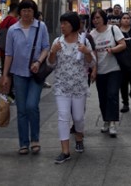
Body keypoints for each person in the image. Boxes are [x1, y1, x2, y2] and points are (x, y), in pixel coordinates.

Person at [1, 0, 50, 155]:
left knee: (31, 106)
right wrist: (5, 76)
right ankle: (23, 142)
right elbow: (9, 54)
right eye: (24, 10)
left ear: (34, 12)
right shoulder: (12, 30)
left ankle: (35, 139)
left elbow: (46, 47)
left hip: (36, 75)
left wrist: (38, 61)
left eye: (30, 10)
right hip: (18, 73)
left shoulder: (40, 27)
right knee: (21, 109)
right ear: (19, 12)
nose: (27, 13)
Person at [46, 12, 95, 164]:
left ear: (73, 25)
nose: (62, 26)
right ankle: (65, 151)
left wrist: (87, 53)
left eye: (65, 23)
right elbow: (50, 64)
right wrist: (53, 51)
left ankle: (79, 136)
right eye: (61, 23)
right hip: (62, 86)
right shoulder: (57, 42)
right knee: (63, 116)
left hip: (79, 86)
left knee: (78, 117)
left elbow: (91, 63)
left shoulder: (83, 41)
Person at [89, 8, 126, 137]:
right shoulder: (92, 35)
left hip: (114, 68)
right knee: (102, 97)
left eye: (98, 18)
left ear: (104, 18)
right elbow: (93, 54)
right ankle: (106, 120)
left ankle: (113, 123)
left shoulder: (113, 29)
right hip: (100, 71)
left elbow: (123, 44)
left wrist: (113, 49)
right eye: (94, 18)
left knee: (112, 94)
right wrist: (94, 70)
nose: (96, 20)